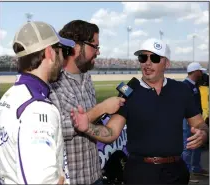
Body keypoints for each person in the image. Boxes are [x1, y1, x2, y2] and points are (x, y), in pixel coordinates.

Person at [70, 38, 209, 184]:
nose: (147, 63)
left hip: (175, 172)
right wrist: (87, 127)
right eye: (143, 58)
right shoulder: (128, 93)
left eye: (154, 58)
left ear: (167, 63)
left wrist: (204, 133)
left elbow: (200, 124)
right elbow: (111, 132)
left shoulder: (181, 90)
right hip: (139, 173)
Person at [49, 20, 125, 184]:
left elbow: (89, 124)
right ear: (76, 47)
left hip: (94, 175)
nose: (98, 52)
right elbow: (58, 129)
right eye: (94, 46)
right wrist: (102, 108)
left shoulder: (86, 78)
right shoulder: (53, 81)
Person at [0, 21, 76, 184]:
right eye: (62, 51)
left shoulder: (9, 96)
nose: (63, 58)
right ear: (50, 53)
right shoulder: (38, 108)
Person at [182, 63, 209, 183]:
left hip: (197, 120)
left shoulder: (193, 85)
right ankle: (187, 173)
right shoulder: (185, 86)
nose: (202, 73)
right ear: (195, 72)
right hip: (188, 122)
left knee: (198, 144)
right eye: (200, 71)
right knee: (188, 147)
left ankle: (196, 168)